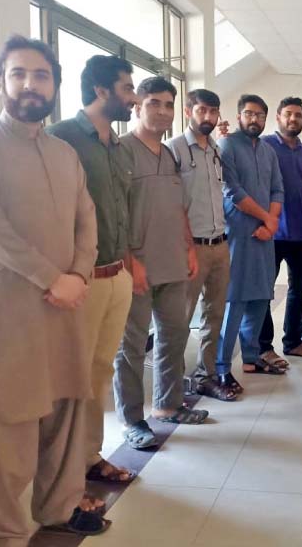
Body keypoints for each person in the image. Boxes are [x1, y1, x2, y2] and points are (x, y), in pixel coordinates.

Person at [0, 35, 109, 544]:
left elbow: (87, 216)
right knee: (9, 425)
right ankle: (4, 533)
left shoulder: (64, 153)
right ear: (1, 81)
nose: (29, 84)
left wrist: (79, 275)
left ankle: (59, 508)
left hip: (67, 302)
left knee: (66, 410)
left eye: (41, 75)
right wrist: (53, 278)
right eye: (18, 74)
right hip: (10, 306)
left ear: (55, 86)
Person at [46, 55, 138, 486]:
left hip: (117, 275)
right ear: (101, 91)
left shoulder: (117, 146)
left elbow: (122, 210)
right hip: (83, 279)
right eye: (126, 88)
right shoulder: (60, 139)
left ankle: (89, 457)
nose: (133, 98)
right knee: (72, 377)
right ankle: (62, 476)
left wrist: (130, 266)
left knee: (101, 370)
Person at [112, 77, 207, 451]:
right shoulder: (120, 151)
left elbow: (179, 207)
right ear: (137, 105)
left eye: (169, 104)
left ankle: (168, 406)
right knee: (132, 346)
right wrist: (130, 261)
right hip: (135, 267)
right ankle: (132, 419)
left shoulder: (169, 154)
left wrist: (188, 249)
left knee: (174, 335)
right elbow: (114, 214)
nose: (163, 111)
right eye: (154, 103)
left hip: (172, 262)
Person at [167, 89, 234, 402]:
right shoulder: (174, 150)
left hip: (220, 244)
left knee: (213, 316)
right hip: (189, 247)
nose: (208, 117)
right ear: (188, 111)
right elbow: (170, 205)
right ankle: (172, 386)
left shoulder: (216, 151)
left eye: (213, 111)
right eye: (202, 110)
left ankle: (205, 376)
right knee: (179, 320)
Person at [216, 94, 286, 396]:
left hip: (264, 237)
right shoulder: (227, 145)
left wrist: (271, 222)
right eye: (248, 113)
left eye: (259, 114)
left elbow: (277, 189)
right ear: (239, 116)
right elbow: (232, 189)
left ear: (266, 118)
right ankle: (220, 367)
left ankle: (251, 357)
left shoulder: (269, 151)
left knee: (260, 297)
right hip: (240, 234)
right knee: (234, 300)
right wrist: (266, 220)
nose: (254, 119)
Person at [258, 97, 302, 362]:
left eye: (297, 115)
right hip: (271, 232)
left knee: (299, 289)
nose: (293, 119)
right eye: (288, 114)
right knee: (265, 291)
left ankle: (293, 341)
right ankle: (263, 346)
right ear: (278, 117)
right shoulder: (265, 145)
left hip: (299, 233)